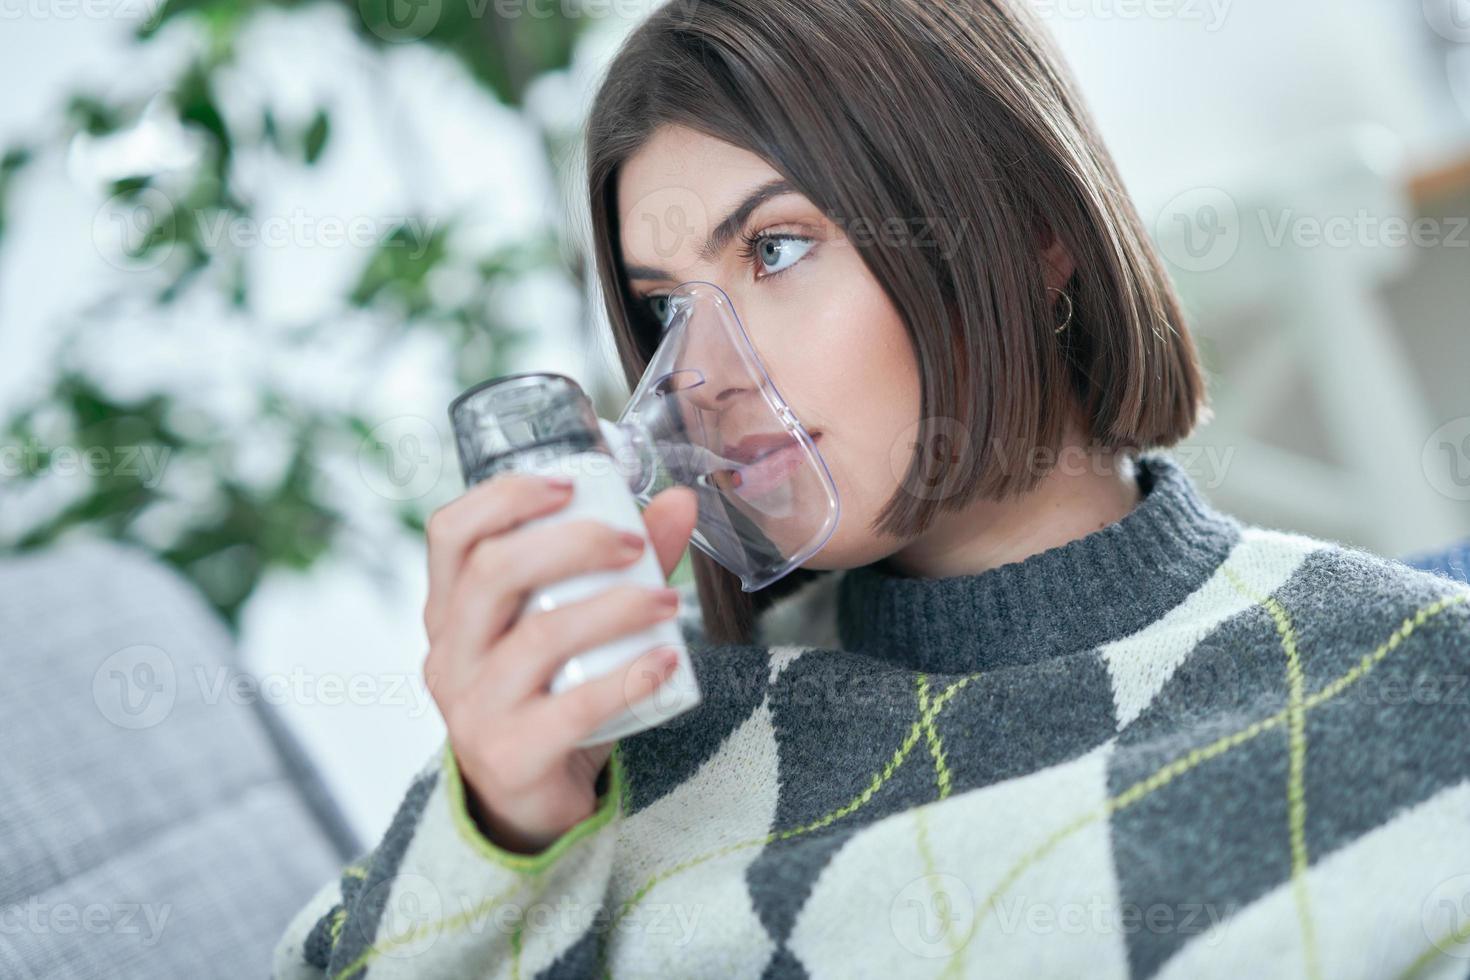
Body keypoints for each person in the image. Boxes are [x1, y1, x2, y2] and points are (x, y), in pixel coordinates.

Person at [274, 1, 1470, 977]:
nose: (698, 377)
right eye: (660, 309)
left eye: (777, 247)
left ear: (1037, 224)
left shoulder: (1415, 684)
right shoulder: (618, 740)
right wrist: (507, 826)